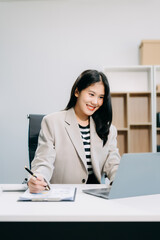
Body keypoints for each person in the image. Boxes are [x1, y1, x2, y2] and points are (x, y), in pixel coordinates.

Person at [28, 69, 120, 193]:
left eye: (101, 97)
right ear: (77, 92)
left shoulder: (109, 129)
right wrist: (39, 178)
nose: (95, 102)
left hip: (96, 198)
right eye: (91, 94)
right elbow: (44, 161)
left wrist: (120, 181)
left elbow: (113, 163)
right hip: (63, 197)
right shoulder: (52, 122)